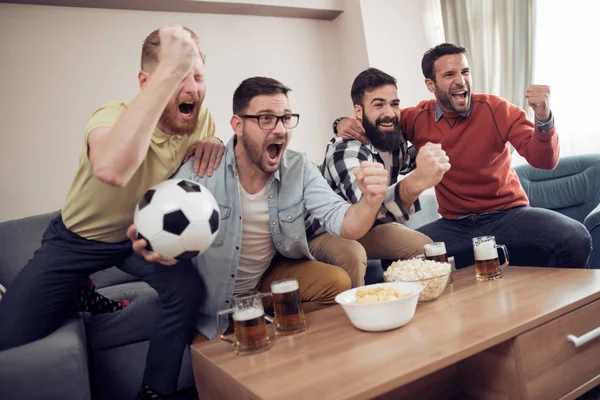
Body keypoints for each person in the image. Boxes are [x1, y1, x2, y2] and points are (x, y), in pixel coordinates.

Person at [0, 26, 225, 400]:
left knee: (186, 291)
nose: (192, 89)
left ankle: (155, 389)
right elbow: (111, 168)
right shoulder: (110, 116)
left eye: (198, 76)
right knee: (9, 333)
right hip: (76, 240)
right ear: (146, 81)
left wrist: (215, 140)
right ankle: (79, 293)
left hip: (136, 237)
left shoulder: (200, 119)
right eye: (177, 76)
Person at [129, 76, 389, 347]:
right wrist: (149, 242)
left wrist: (370, 201)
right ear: (238, 125)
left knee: (335, 281)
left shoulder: (298, 168)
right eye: (266, 118)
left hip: (265, 283)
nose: (279, 129)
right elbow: (155, 220)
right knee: (215, 374)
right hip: (213, 306)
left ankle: (280, 340)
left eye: (286, 118)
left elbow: (346, 223)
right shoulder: (202, 170)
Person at [335, 43, 592, 269]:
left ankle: (553, 306)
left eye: (464, 72)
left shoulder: (496, 109)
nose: (461, 80)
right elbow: (381, 121)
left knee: (575, 237)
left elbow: (545, 161)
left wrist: (544, 118)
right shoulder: (416, 118)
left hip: (508, 215)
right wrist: (342, 123)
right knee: (397, 260)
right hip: (454, 224)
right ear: (430, 84)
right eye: (449, 74)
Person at [306, 68, 450, 278]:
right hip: (326, 231)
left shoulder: (393, 142)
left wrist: (438, 144)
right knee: (352, 255)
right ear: (358, 111)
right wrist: (416, 183)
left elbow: (412, 160)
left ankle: (411, 302)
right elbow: (369, 210)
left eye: (394, 104)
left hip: (365, 229)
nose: (390, 113)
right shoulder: (346, 151)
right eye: (378, 104)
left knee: (424, 246)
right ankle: (355, 310)